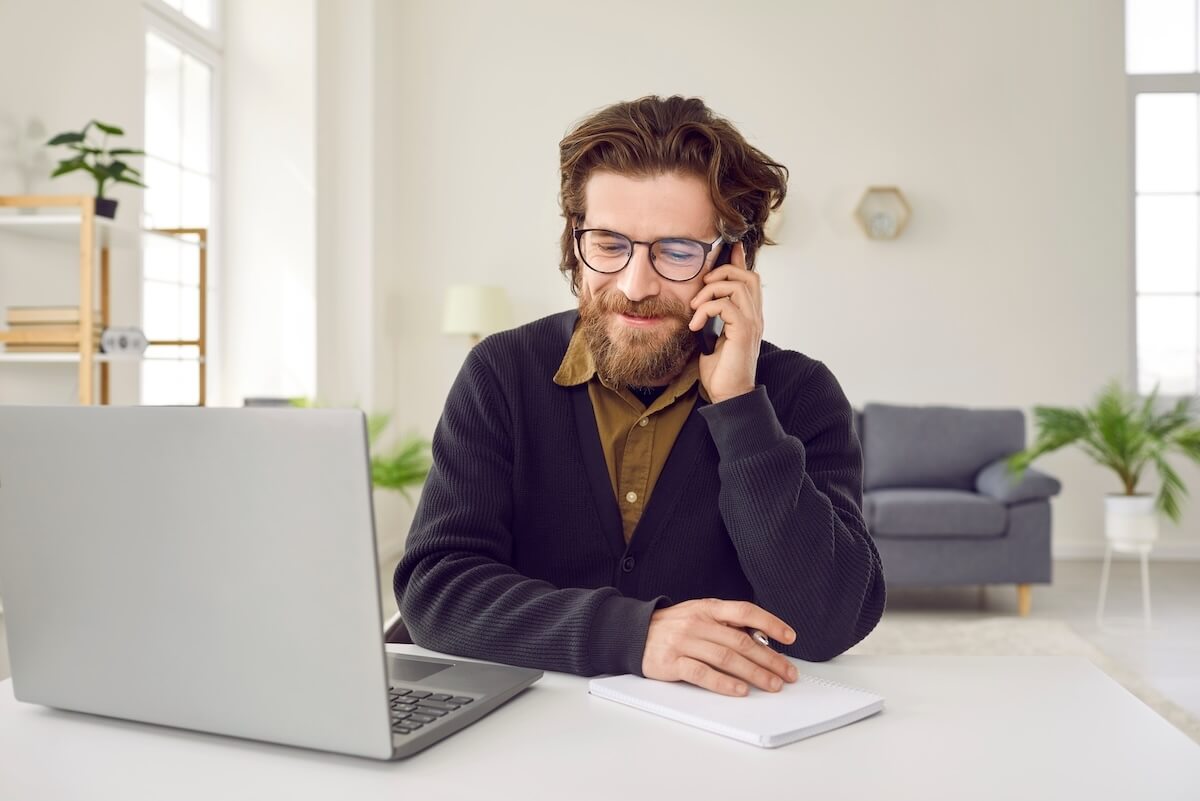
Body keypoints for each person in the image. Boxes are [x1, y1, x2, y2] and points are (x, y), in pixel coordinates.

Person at [394, 95, 885, 697]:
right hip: (531, 730)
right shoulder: (501, 371)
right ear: (574, 243)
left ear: (733, 261)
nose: (634, 284)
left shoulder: (800, 393)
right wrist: (634, 634)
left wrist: (739, 408)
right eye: (608, 244)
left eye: (676, 251)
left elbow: (830, 621)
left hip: (719, 745)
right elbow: (437, 590)